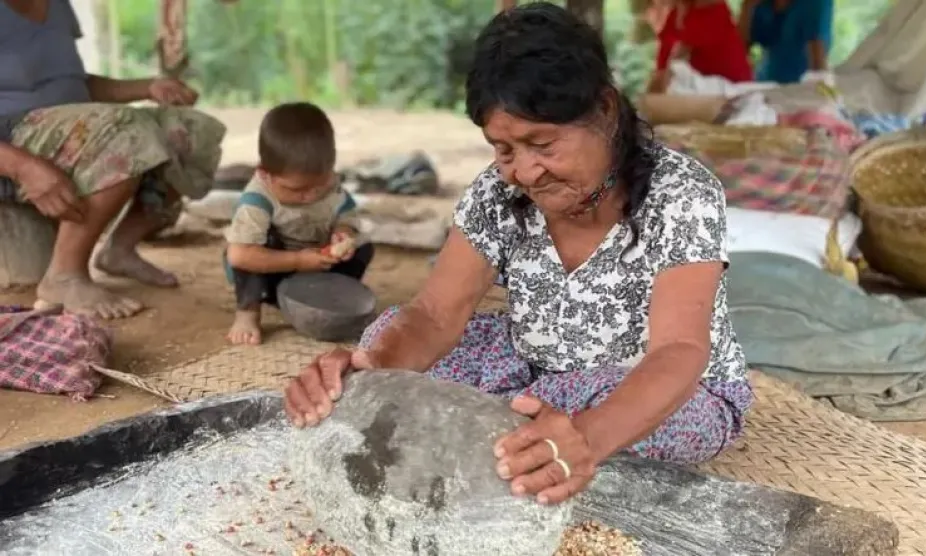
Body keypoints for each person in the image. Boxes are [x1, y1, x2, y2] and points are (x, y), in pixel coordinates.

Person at [284, 2, 752, 505]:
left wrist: (587, 440)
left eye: (543, 145)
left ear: (605, 110)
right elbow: (435, 315)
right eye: (504, 150)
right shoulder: (497, 194)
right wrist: (365, 373)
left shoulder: (679, 193)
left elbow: (678, 351)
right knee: (387, 337)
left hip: (656, 386)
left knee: (661, 418)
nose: (525, 172)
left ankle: (532, 430)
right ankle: (524, 426)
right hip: (530, 364)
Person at [0, 0, 225, 319]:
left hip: (67, 127)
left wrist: (148, 87)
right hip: (10, 141)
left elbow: (72, 82)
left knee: (191, 130)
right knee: (125, 131)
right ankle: (64, 275)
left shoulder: (57, 6)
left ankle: (120, 249)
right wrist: (22, 168)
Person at [224, 102, 372, 346]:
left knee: (363, 247)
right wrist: (298, 261)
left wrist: (342, 234)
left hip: (318, 268)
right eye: (298, 190)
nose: (311, 196)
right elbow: (239, 256)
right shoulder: (257, 200)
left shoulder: (329, 183)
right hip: (272, 273)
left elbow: (345, 214)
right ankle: (247, 313)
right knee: (251, 250)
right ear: (265, 173)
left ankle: (329, 299)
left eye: (320, 185)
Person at [645, 0, 753, 93]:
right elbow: (661, 67)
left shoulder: (712, 10)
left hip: (732, 92)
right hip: (698, 96)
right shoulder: (674, 16)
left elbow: (675, 63)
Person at [738, 0, 834, 84]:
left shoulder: (814, 3)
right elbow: (738, 54)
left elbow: (817, 65)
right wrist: (747, 7)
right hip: (765, 86)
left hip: (799, 89)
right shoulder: (763, 5)